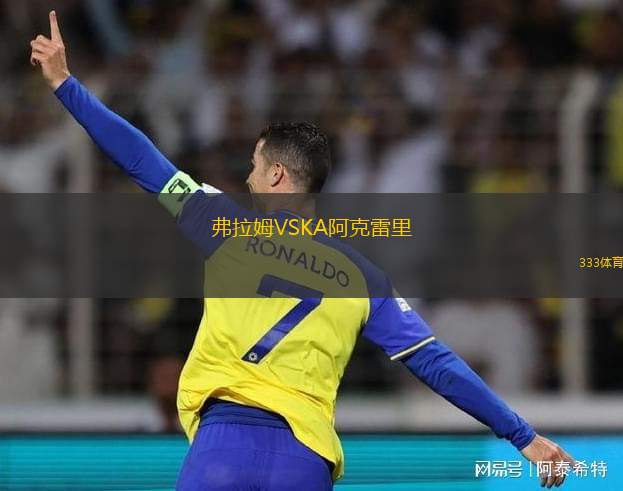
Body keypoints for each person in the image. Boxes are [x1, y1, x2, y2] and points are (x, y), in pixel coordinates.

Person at [30, 11, 574, 490]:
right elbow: (435, 361)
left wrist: (65, 84)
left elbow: (141, 160)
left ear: (277, 175)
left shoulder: (223, 226)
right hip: (303, 457)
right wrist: (522, 435)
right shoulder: (363, 278)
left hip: (222, 447)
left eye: (254, 165)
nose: (248, 176)